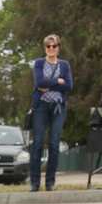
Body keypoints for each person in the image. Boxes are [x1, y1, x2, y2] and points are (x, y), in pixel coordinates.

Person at [29, 34, 73, 192]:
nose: (51, 48)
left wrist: (48, 85)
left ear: (59, 48)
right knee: (38, 143)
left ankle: (50, 182)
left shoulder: (64, 65)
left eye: (54, 46)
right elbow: (39, 82)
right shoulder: (39, 63)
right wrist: (57, 81)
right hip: (41, 106)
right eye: (48, 46)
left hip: (58, 108)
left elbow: (69, 86)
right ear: (45, 48)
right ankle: (35, 182)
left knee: (54, 144)